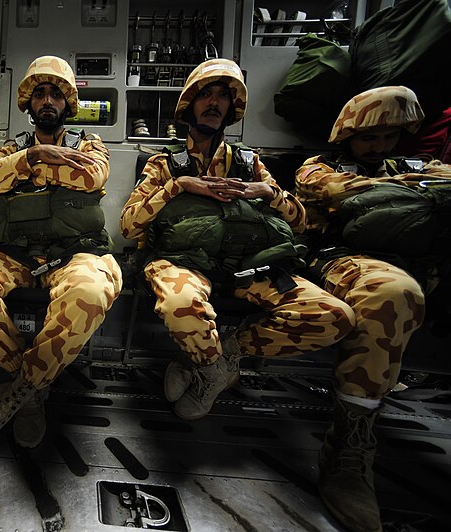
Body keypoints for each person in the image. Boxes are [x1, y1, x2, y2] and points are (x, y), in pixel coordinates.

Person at [120, 58, 355, 422]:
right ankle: (213, 371)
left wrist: (266, 191)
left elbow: (301, 223)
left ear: (231, 108)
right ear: (190, 105)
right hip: (183, 263)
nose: (214, 103)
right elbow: (129, 226)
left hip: (250, 265)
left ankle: (220, 355)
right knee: (180, 305)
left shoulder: (249, 163)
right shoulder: (164, 164)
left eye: (222, 97)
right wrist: (179, 186)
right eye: (206, 95)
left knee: (335, 317)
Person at [0, 56, 122, 454]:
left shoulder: (88, 145)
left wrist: (19, 173)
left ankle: (19, 393)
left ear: (67, 104)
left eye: (56, 94)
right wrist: (32, 158)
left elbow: (91, 175)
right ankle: (32, 383)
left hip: (74, 254)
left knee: (92, 292)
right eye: (39, 93)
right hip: (15, 256)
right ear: (28, 102)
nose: (47, 101)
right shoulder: (12, 149)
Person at [294, 85, 451, 532]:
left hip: (426, 262)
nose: (379, 146)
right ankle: (349, 443)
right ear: (347, 137)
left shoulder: (415, 167)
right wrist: (419, 187)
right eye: (369, 138)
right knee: (394, 294)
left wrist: (408, 182)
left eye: (389, 137)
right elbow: (346, 195)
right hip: (346, 260)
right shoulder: (319, 169)